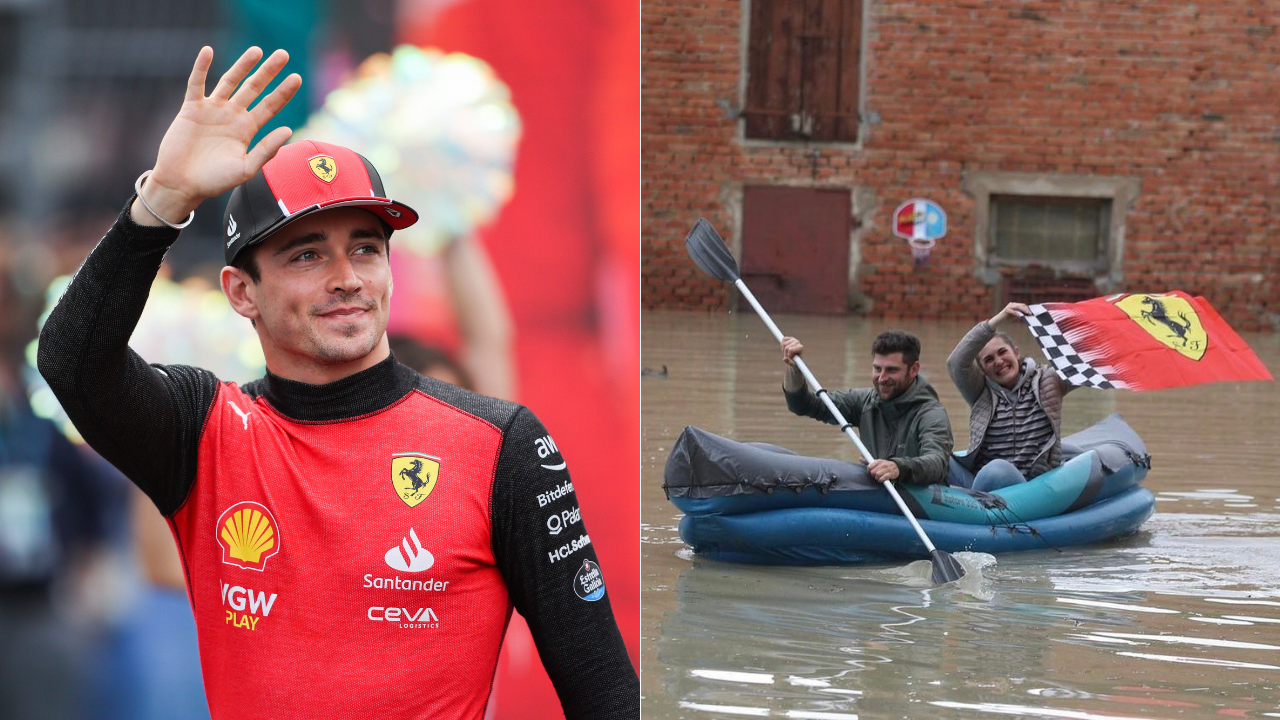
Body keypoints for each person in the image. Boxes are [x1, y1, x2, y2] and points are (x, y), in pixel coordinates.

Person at [37, 46, 636, 719]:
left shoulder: (504, 444)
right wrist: (164, 200)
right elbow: (71, 364)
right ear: (242, 293)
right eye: (307, 254)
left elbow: (602, 685)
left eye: (365, 248)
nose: (347, 276)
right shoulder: (201, 432)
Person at [781, 331, 953, 486]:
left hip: (923, 501)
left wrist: (898, 467)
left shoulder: (932, 414)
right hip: (878, 492)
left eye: (892, 370)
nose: (882, 378)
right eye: (877, 369)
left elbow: (937, 463)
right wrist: (795, 368)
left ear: (914, 369)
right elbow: (803, 405)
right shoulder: (864, 401)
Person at [946, 301, 1076, 492]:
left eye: (1002, 352)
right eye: (988, 360)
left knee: (997, 469)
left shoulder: (1048, 380)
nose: (998, 362)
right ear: (982, 368)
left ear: (1016, 352)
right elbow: (956, 363)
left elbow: (1085, 367)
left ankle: (970, 510)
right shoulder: (979, 392)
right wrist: (1000, 318)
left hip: (1030, 487)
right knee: (937, 457)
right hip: (982, 485)